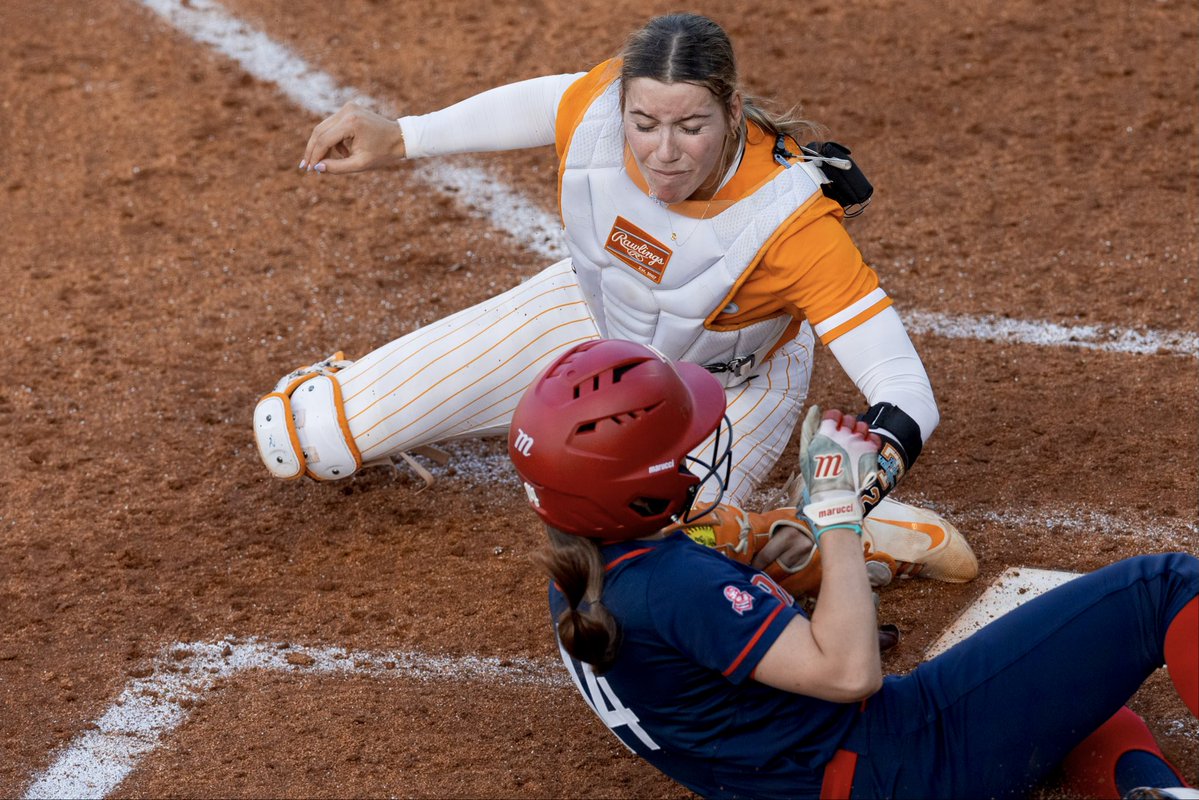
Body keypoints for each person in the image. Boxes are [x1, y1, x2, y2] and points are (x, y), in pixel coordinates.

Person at [253, 12, 980, 598]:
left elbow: (903, 389)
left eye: (689, 127)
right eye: (644, 122)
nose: (663, 151)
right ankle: (512, 410)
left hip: (720, 389)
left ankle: (828, 538)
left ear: (729, 110)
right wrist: (407, 136)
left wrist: (857, 483)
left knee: (635, 581)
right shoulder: (602, 107)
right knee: (305, 432)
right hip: (588, 324)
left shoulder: (791, 222)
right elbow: (548, 101)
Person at [507, 337, 1199, 800]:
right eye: (680, 449)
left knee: (1079, 699)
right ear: (637, 487)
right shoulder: (676, 588)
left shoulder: (578, 573)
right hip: (904, 759)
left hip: (808, 777)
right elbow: (848, 672)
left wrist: (765, 584)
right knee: (1161, 587)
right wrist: (836, 511)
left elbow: (696, 658)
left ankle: (1156, 789)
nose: (696, 451)